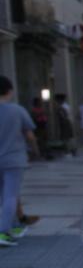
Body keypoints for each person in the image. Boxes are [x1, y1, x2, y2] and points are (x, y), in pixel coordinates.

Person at [0, 75, 39, 247]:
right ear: (9, 91)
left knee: (5, 195)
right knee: (10, 195)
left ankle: (16, 225)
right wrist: (36, 151)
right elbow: (30, 135)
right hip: (14, 159)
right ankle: (3, 231)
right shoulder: (17, 110)